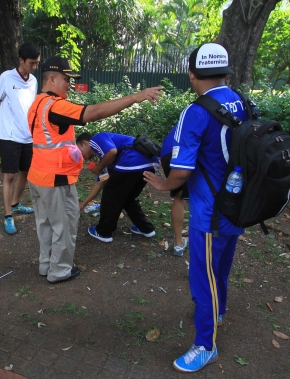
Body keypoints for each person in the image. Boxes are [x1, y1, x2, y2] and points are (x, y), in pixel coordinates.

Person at [143, 43, 249, 373]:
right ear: (225, 72)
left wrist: (163, 184)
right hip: (238, 202)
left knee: (203, 276)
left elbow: (183, 168)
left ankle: (206, 345)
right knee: (221, 266)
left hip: (209, 210)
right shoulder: (242, 102)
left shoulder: (196, 112)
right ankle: (217, 311)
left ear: (192, 75)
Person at [27, 56, 163, 284]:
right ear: (51, 78)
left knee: (46, 223)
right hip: (55, 178)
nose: (69, 85)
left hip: (37, 176)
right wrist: (135, 97)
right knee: (65, 224)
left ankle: (45, 264)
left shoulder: (36, 105)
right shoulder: (54, 105)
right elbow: (94, 113)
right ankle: (59, 271)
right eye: (66, 79)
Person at [0, 42, 41, 235]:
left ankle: (15, 203)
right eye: (31, 63)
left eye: (37, 63)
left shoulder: (33, 81)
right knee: (9, 175)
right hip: (8, 134)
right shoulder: (6, 77)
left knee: (26, 171)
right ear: (21, 60)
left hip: (28, 135)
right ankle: (8, 215)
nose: (34, 67)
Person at [77, 132, 158, 243]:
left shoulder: (96, 139)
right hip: (150, 164)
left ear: (85, 143)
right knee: (128, 198)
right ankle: (146, 228)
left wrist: (98, 167)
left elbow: (112, 151)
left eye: (78, 150)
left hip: (132, 162)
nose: (80, 156)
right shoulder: (107, 159)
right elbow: (101, 182)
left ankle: (103, 232)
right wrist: (84, 203)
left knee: (110, 195)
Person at [161, 125, 189, 256]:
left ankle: (178, 244)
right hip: (187, 151)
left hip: (168, 152)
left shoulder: (192, 112)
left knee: (179, 197)